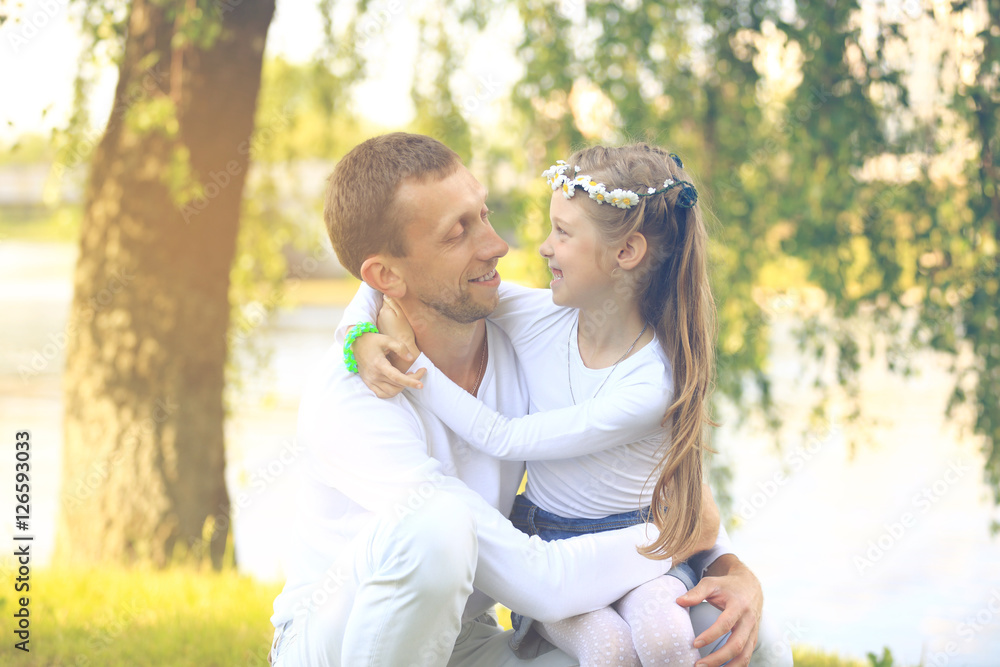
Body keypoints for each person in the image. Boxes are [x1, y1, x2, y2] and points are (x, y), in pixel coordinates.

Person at [270, 132, 781, 667]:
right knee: (438, 523)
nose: (497, 245)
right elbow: (543, 585)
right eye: (457, 233)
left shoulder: (526, 330)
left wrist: (726, 565)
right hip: (334, 644)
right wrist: (671, 540)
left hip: (463, 640)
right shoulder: (352, 396)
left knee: (729, 632)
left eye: (483, 214)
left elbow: (651, 464)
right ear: (386, 276)